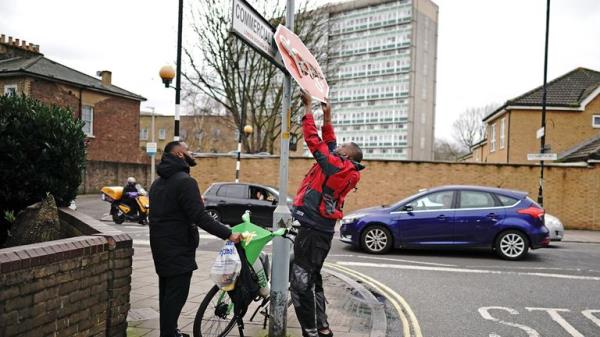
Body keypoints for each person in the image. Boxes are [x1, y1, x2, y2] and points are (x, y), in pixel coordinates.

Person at [290, 90, 365, 337]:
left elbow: (313, 140)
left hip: (312, 228)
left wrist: (308, 108)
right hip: (318, 228)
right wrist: (328, 116)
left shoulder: (335, 166)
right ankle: (322, 329)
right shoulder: (342, 165)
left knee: (300, 282)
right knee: (313, 279)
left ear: (345, 155)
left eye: (342, 146)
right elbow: (329, 141)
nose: (337, 145)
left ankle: (311, 332)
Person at [149, 141, 242, 337]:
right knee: (176, 296)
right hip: (178, 247)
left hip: (160, 246)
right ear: (180, 155)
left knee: (166, 294)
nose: (192, 153)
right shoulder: (185, 182)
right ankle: (168, 334)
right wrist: (229, 234)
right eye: (188, 149)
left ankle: (170, 332)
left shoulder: (157, 184)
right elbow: (200, 217)